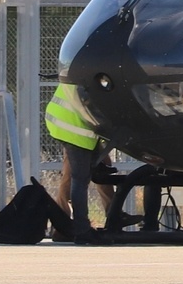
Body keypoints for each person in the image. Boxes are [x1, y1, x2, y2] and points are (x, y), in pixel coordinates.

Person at [44, 84, 139, 244]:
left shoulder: (88, 64)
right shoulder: (102, 74)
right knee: (79, 178)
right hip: (74, 127)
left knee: (100, 166)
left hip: (66, 120)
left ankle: (113, 214)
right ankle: (81, 230)